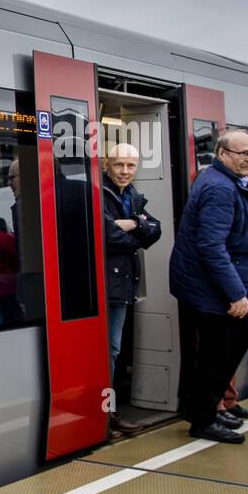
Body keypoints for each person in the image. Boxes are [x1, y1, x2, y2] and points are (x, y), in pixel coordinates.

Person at [168, 129, 248, 444]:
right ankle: (203, 420)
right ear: (223, 154)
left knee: (232, 345)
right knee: (218, 352)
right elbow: (211, 246)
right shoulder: (219, 188)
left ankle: (207, 408)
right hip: (210, 288)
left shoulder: (230, 181)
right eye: (243, 153)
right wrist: (236, 293)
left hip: (215, 284)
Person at [101, 142, 162, 432]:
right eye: (118, 164)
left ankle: (107, 412)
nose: (125, 171)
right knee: (108, 349)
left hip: (122, 283)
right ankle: (105, 413)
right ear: (106, 164)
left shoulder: (133, 195)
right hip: (103, 283)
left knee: (112, 349)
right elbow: (106, 234)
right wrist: (137, 229)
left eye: (130, 165)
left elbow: (155, 229)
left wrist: (132, 224)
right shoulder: (98, 192)